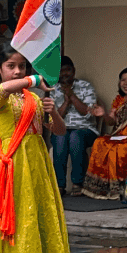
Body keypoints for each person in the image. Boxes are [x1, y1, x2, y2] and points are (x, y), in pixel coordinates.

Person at [0, 44, 72, 253]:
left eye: (22, 66)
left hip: (37, 162)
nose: (17, 71)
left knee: (36, 210)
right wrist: (34, 79)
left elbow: (59, 131)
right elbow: (6, 88)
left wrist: (53, 112)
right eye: (11, 66)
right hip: (14, 162)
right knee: (18, 211)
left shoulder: (34, 99)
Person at [49, 56, 99, 196]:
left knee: (75, 136)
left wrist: (72, 96)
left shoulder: (85, 86)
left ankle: (78, 183)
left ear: (74, 71)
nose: (64, 73)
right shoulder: (53, 90)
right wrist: (66, 102)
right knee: (61, 137)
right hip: (62, 130)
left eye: (67, 70)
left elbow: (87, 113)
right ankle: (59, 185)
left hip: (86, 130)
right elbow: (55, 118)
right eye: (61, 71)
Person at [82, 67, 127, 200]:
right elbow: (111, 122)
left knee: (117, 149)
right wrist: (104, 114)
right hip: (119, 136)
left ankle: (118, 188)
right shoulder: (119, 100)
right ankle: (100, 188)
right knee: (99, 142)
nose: (126, 83)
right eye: (123, 80)